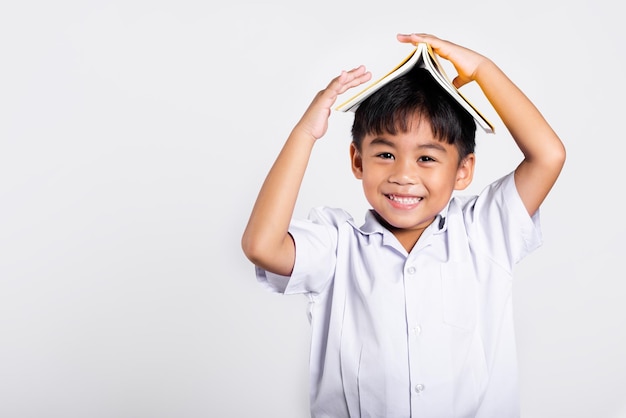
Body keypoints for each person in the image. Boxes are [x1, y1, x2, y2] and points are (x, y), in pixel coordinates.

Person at [241, 33, 566, 418]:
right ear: (357, 161)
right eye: (385, 153)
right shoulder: (337, 246)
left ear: (463, 171)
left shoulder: (483, 232)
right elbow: (262, 246)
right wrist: (305, 134)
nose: (403, 175)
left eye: (427, 158)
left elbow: (548, 155)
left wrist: (482, 70)